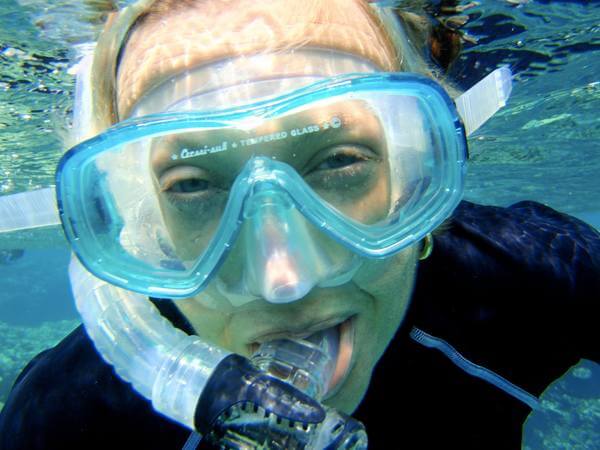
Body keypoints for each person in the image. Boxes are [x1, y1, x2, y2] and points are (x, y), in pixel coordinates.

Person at [0, 0, 598, 448]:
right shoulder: (70, 421)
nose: (283, 280)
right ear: (144, 224)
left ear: (418, 175)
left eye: (341, 161)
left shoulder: (528, 280)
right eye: (193, 187)